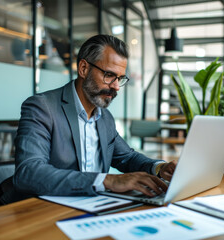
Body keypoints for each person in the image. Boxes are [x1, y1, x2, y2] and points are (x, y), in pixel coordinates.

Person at [13, 34, 176, 198]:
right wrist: (108, 181)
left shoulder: (105, 118)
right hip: (43, 208)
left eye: (120, 79)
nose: (116, 87)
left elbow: (127, 158)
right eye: (109, 75)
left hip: (91, 206)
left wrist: (160, 168)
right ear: (83, 68)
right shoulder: (42, 107)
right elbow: (29, 172)